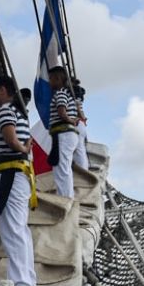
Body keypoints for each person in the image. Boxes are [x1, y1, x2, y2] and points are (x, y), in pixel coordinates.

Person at [0, 76, 38, 286]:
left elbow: (10, 138)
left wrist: (22, 148)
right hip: (20, 174)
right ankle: (27, 279)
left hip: (10, 173)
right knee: (20, 228)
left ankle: (20, 282)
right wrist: (23, 148)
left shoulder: (5, 111)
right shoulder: (19, 113)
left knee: (11, 228)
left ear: (3, 90)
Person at [48, 66, 80, 198]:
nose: (49, 82)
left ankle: (65, 198)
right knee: (64, 166)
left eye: (51, 78)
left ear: (58, 79)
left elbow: (61, 112)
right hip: (67, 134)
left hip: (63, 133)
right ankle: (67, 195)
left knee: (61, 168)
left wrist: (70, 120)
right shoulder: (68, 94)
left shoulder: (60, 93)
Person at [72, 77, 89, 170]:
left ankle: (82, 169)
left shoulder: (75, 95)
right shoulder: (79, 94)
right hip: (81, 124)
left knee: (78, 149)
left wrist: (81, 118)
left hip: (77, 123)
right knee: (81, 148)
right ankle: (84, 168)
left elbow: (78, 108)